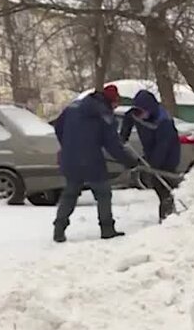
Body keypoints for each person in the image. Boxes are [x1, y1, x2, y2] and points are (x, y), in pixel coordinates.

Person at [51, 84, 138, 243]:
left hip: (70, 159)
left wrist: (68, 146)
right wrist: (129, 161)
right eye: (116, 103)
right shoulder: (104, 115)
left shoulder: (73, 107)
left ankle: (59, 229)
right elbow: (113, 145)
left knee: (70, 194)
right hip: (92, 161)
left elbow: (58, 127)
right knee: (103, 194)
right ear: (111, 101)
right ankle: (107, 229)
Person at [119, 89, 181, 222]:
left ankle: (167, 217)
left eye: (143, 111)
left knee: (164, 184)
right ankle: (169, 213)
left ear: (150, 109)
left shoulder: (163, 121)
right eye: (139, 111)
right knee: (156, 183)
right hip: (150, 149)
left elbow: (163, 147)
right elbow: (128, 118)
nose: (141, 115)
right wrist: (124, 135)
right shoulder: (135, 114)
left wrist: (153, 165)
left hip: (170, 152)